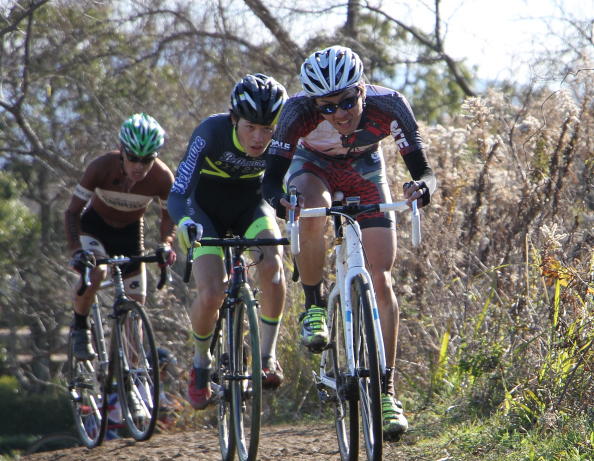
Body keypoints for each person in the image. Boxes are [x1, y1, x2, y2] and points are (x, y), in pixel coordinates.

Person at [261, 46, 437, 440]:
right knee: (311, 210)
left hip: (364, 171)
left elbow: (424, 171)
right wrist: (280, 200)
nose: (339, 114)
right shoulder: (296, 112)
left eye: (347, 101)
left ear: (362, 88)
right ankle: (314, 305)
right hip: (313, 169)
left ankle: (388, 391)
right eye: (327, 107)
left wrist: (422, 187)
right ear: (313, 103)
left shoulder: (389, 105)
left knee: (381, 278)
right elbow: (271, 180)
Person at [168, 74, 288, 409]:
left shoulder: (280, 140)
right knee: (211, 293)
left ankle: (267, 357)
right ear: (234, 119)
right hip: (204, 209)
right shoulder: (210, 133)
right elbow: (178, 195)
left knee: (274, 265)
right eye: (250, 127)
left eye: (268, 129)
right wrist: (186, 222)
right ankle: (200, 362)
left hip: (251, 205)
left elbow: (290, 183)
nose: (259, 138)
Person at [65, 113, 177, 361]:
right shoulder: (100, 167)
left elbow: (169, 217)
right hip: (95, 228)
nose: (139, 166)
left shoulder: (162, 177)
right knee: (97, 272)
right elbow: (72, 211)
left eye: (147, 160)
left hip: (129, 233)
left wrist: (165, 245)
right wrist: (76, 251)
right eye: (133, 158)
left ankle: (126, 385)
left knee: (136, 309)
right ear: (121, 151)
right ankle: (81, 327)